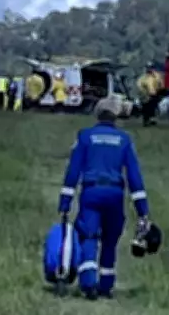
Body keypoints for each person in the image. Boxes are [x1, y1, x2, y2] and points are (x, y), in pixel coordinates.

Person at [58, 95, 151, 300]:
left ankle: (88, 281)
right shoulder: (125, 140)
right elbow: (134, 176)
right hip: (115, 194)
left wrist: (65, 201)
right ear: (116, 117)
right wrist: (142, 209)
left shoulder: (85, 136)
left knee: (89, 235)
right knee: (110, 239)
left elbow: (73, 171)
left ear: (97, 114)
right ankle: (106, 284)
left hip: (91, 192)